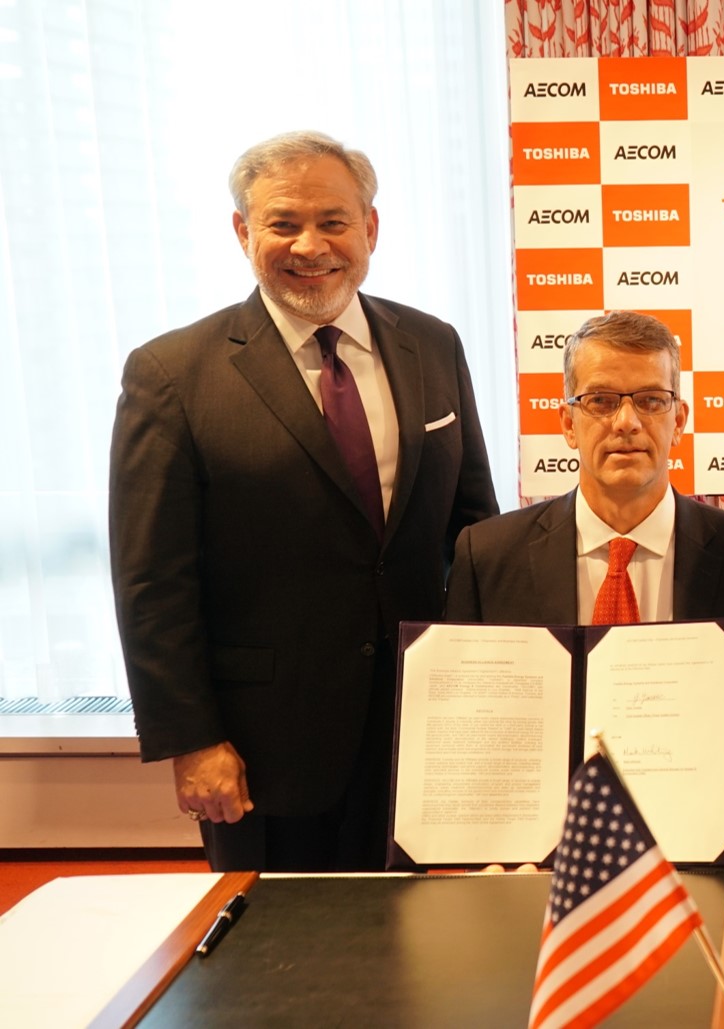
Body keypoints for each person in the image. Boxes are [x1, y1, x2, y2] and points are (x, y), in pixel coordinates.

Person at [109, 131, 498, 872]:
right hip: (263, 753)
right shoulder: (172, 374)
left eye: (333, 220)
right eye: (283, 223)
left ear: (371, 228)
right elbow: (152, 581)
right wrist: (191, 740)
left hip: (423, 734)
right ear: (242, 232)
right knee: (276, 969)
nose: (309, 245)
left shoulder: (433, 343)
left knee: (427, 956)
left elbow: (473, 531)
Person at [444, 311, 724, 868]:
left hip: (713, 861)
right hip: (541, 862)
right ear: (567, 423)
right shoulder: (487, 556)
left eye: (650, 400)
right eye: (599, 401)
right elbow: (464, 726)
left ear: (679, 418)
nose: (626, 422)